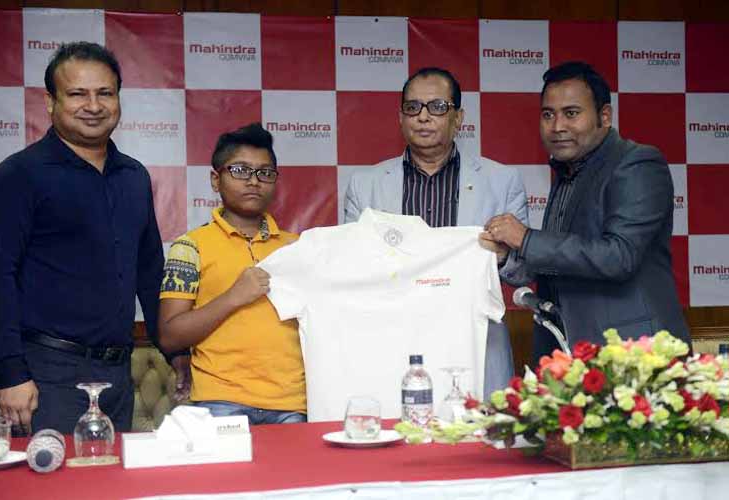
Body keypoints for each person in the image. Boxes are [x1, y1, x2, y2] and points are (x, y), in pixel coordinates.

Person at [0, 42, 164, 434]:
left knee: (115, 489)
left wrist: (174, 349)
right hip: (47, 374)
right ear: (50, 102)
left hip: (118, 372)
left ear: (118, 98)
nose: (93, 105)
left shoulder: (135, 176)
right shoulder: (21, 174)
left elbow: (150, 273)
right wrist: (11, 372)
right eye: (78, 94)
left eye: (105, 93)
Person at [481, 61, 690, 360]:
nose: (557, 126)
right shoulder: (569, 170)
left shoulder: (637, 163)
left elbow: (619, 256)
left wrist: (526, 239)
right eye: (548, 114)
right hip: (573, 353)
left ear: (604, 117)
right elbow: (563, 261)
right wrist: (508, 255)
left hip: (634, 357)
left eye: (572, 113)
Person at [344, 67, 529, 398]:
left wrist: (503, 257)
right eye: (413, 108)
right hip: (392, 336)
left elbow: (524, 271)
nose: (423, 117)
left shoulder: (502, 181)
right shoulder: (365, 185)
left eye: (437, 107)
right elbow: (351, 268)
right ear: (401, 118)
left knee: (478, 445)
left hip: (473, 336)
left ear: (458, 118)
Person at [157, 123, 306, 424]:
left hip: (292, 402)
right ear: (216, 179)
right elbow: (170, 336)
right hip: (221, 401)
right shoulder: (189, 247)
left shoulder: (298, 248)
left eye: (265, 173)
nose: (254, 181)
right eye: (240, 170)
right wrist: (234, 297)